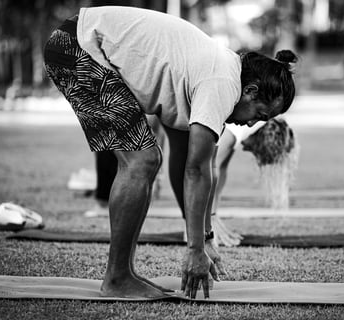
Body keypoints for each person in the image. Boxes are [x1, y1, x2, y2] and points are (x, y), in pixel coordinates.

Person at [44, 6, 297, 300]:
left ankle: (124, 272)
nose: (252, 123)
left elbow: (186, 166)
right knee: (142, 161)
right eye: (259, 114)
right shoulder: (222, 84)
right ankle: (116, 277)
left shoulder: (212, 74)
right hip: (78, 47)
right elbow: (196, 170)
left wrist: (204, 237)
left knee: (150, 160)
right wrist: (195, 251)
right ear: (250, 90)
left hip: (79, 42)